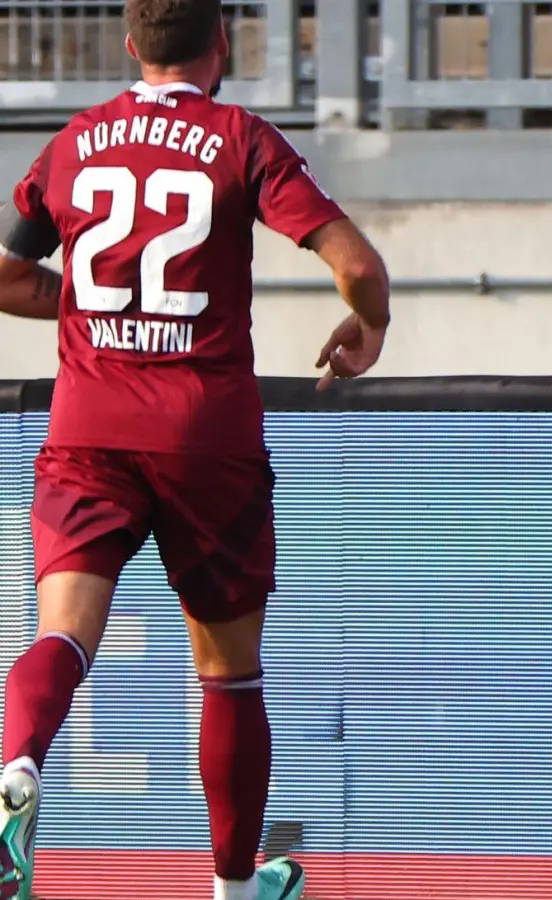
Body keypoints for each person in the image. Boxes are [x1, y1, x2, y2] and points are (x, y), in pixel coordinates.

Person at [0, 1, 391, 899]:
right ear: (223, 48)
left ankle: (17, 769)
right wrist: (370, 326)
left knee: (62, 628)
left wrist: (92, 307)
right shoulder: (241, 139)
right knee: (229, 673)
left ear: (132, 46)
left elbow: (9, 276)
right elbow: (358, 266)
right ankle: (229, 886)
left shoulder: (75, 142)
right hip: (204, 438)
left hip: (87, 426)